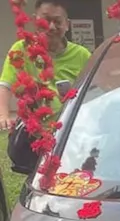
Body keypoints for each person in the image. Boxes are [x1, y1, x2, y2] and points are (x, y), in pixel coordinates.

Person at [0, 0, 90, 131]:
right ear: (35, 20)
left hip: (71, 129)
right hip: (33, 130)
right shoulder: (21, 49)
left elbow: (94, 92)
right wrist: (3, 116)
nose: (51, 27)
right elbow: (5, 86)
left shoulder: (82, 55)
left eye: (58, 21)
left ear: (67, 24)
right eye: (46, 20)